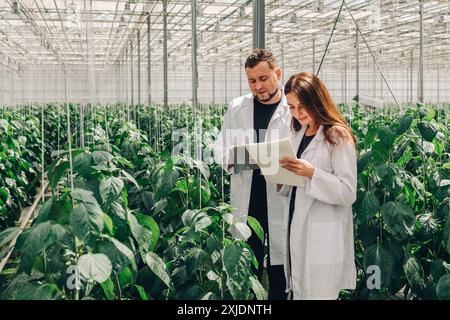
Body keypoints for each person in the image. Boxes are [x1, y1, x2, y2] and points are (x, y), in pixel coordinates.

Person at [213, 49, 291, 299]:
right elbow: (219, 149)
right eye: (252, 80)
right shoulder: (238, 108)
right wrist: (244, 158)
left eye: (264, 78)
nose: (258, 86)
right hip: (249, 199)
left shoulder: (292, 108)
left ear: (277, 73)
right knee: (248, 262)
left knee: (282, 265)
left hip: (282, 196)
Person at [278, 72, 357, 300]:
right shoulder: (298, 133)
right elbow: (296, 183)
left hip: (322, 233)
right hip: (297, 222)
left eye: (302, 106)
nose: (297, 113)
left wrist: (313, 173)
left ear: (317, 101)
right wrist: (282, 177)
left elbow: (348, 191)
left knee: (319, 292)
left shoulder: (337, 135)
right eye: (292, 107)